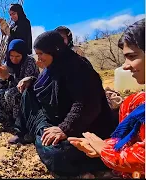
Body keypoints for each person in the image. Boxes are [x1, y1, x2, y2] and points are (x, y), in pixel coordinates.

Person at [10, 31, 118, 176]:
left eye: (41, 53)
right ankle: (31, 133)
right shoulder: (53, 66)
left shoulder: (78, 68)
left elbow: (87, 105)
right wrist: (30, 80)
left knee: (55, 154)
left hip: (85, 127)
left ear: (55, 51)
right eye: (37, 54)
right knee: (27, 92)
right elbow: (48, 87)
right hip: (57, 117)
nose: (39, 58)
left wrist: (64, 129)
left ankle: (98, 162)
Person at [68, 18, 145, 179]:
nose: (125, 65)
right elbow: (125, 141)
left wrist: (105, 151)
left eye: (132, 56)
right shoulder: (136, 103)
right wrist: (101, 147)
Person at [0, 39, 39, 125]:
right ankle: (3, 119)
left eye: (17, 56)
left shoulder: (30, 62)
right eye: (11, 56)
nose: (14, 59)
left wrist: (9, 77)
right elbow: (2, 86)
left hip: (29, 92)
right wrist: (2, 78)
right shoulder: (7, 63)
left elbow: (24, 85)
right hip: (11, 91)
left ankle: (19, 123)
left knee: (11, 93)